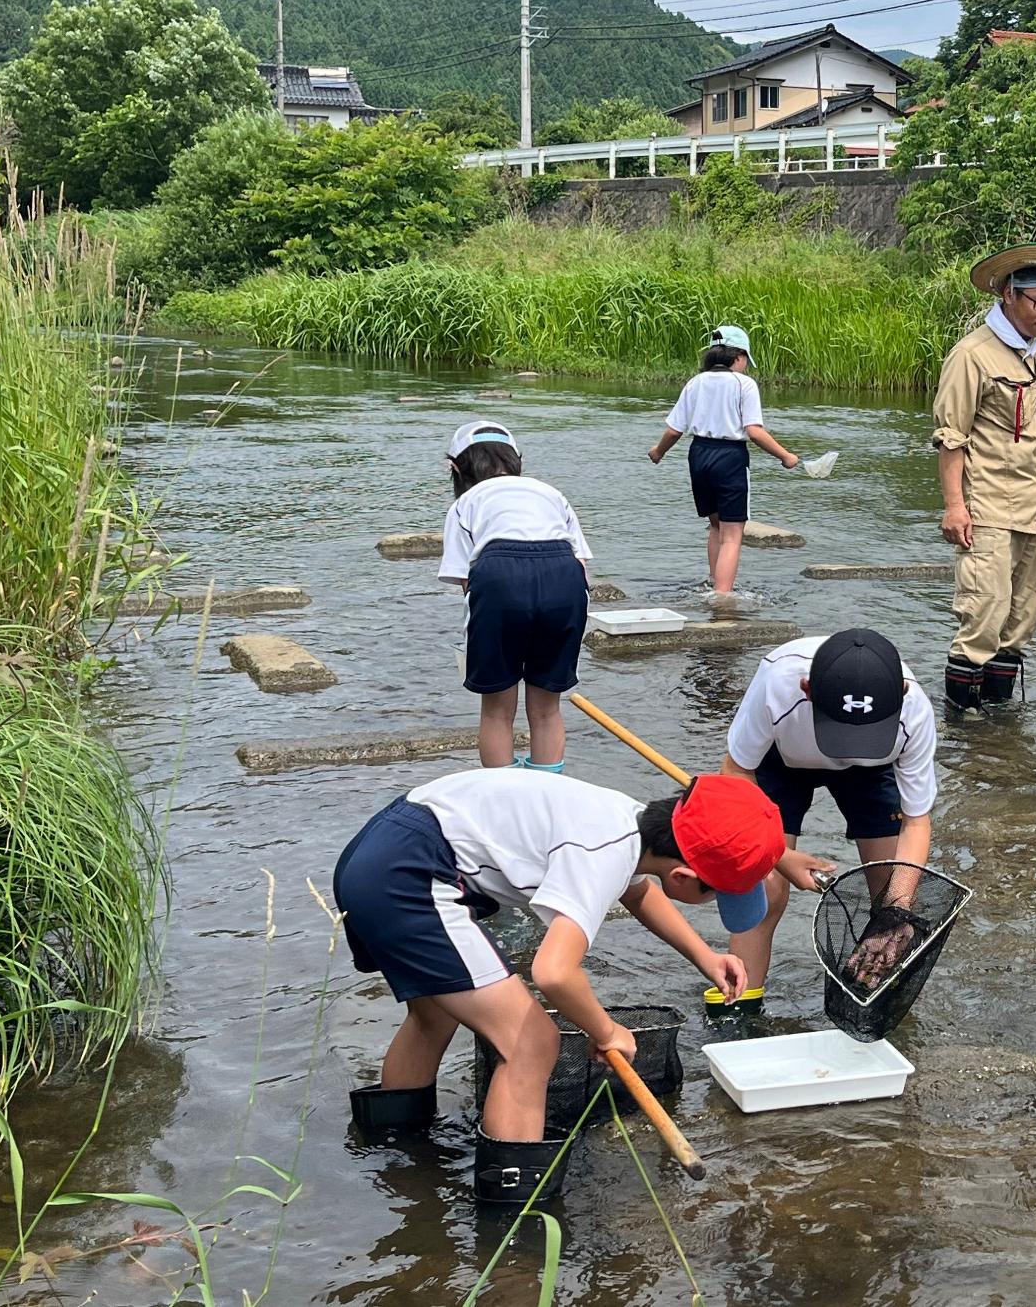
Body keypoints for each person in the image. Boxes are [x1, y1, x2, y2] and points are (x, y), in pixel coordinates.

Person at [332, 769, 780, 1198]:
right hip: (411, 878)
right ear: (682, 876)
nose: (717, 902)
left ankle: (397, 1157)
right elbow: (554, 973)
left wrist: (705, 956)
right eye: (717, 894)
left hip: (379, 854)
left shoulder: (629, 821)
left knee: (434, 1015)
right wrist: (606, 1030)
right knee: (531, 1044)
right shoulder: (601, 854)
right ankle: (513, 1215)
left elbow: (638, 890)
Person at [717, 628, 938, 1007]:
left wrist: (898, 909)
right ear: (806, 689)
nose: (847, 748)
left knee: (893, 893)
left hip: (873, 766)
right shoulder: (777, 682)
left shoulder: (913, 711)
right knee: (765, 886)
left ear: (901, 694)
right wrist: (777, 854)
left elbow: (916, 821)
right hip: (780, 760)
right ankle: (739, 1006)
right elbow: (736, 772)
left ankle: (875, 1004)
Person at [932, 243, 1036, 715]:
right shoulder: (973, 355)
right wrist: (954, 506)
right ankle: (963, 726)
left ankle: (1001, 724)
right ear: (1009, 294)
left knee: (1022, 617)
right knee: (983, 614)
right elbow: (951, 437)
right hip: (986, 507)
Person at [440, 420, 592, 772]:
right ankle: (546, 788)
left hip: (499, 576)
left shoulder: (465, 504)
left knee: (497, 709)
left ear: (455, 468)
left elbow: (467, 581)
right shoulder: (551, 493)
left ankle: (503, 791)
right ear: (516, 460)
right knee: (547, 708)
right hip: (564, 577)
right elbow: (581, 564)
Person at [648, 326, 802, 597]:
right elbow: (754, 431)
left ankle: (713, 582)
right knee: (733, 534)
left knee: (716, 525)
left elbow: (674, 431)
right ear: (738, 356)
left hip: (699, 455)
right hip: (730, 457)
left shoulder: (695, 382)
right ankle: (722, 598)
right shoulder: (744, 384)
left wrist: (658, 452)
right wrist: (786, 456)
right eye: (745, 360)